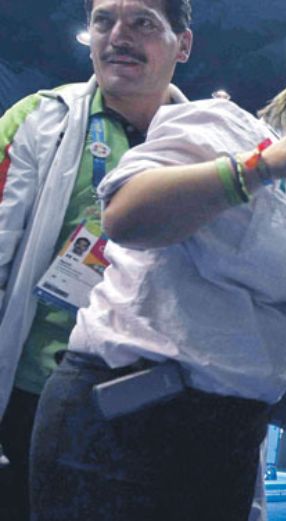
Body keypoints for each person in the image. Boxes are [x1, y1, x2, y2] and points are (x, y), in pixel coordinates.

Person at [29, 48, 286, 520]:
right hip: (127, 420)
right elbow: (124, 215)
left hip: (228, 437)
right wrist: (258, 168)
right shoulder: (229, 127)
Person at [0, 1, 192, 519]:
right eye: (104, 20)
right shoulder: (39, 121)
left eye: (143, 23)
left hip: (152, 402)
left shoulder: (209, 148)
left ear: (184, 44)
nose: (118, 36)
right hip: (32, 394)